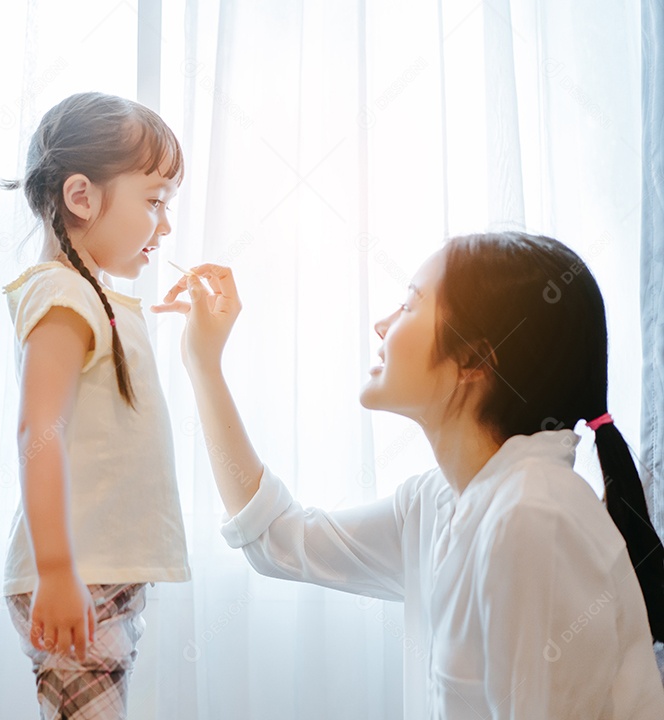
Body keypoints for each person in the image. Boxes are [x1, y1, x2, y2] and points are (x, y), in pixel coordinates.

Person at [151, 232, 664, 718]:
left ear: (475, 361)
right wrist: (204, 364)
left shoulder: (532, 515)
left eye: (411, 303)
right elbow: (274, 540)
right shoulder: (441, 502)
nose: (382, 324)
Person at [0, 92, 191, 719]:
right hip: (79, 572)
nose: (164, 226)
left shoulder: (94, 298)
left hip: (102, 573)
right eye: (155, 202)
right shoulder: (62, 294)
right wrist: (57, 569)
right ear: (82, 198)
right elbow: (39, 430)